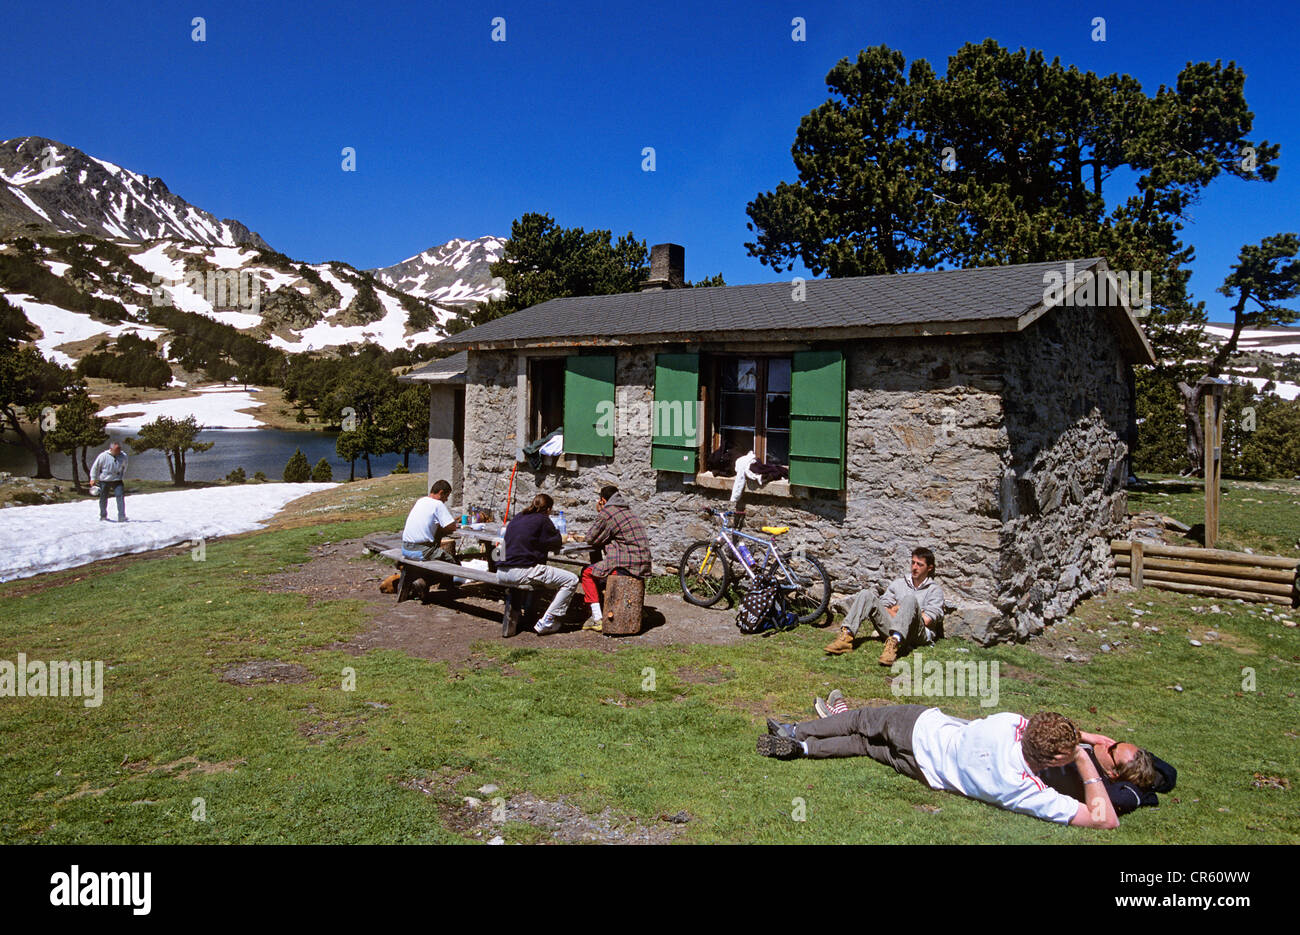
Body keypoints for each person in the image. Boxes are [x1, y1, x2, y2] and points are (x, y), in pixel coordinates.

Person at [756, 705, 1120, 828]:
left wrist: (1087, 744)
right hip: (926, 771)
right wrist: (1083, 759)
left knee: (861, 720)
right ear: (1054, 758)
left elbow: (1038, 723)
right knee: (862, 746)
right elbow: (1105, 819)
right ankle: (803, 749)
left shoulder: (1008, 723)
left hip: (920, 727)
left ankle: (796, 730)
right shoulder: (1022, 787)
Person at [825, 547, 944, 665]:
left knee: (910, 600)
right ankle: (847, 636)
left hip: (917, 634)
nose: (914, 567)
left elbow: (927, 620)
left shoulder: (934, 590)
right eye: (913, 563)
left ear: (929, 568)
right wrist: (900, 613)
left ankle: (893, 646)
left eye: (919, 564)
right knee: (866, 594)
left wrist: (902, 609)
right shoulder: (899, 584)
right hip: (892, 627)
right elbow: (883, 606)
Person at [496, 493, 580, 635]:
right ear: (548, 509)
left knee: (540, 574)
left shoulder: (518, 517)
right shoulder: (543, 519)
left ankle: (531, 614)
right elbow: (556, 540)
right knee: (572, 580)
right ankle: (547, 620)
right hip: (521, 571)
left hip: (501, 571)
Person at [1038, 734, 1177, 816]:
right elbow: (1170, 773)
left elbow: (1118, 800)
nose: (1106, 742)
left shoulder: (1085, 774)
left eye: (1112, 748)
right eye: (1116, 742)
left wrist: (1082, 735)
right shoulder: (1102, 759)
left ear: (1113, 773)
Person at [578, 485, 651, 632]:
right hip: (642, 563)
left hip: (626, 564)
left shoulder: (608, 513)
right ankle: (631, 608)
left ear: (603, 500)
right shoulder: (627, 511)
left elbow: (591, 538)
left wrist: (600, 511)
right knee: (600, 570)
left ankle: (597, 618)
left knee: (586, 573)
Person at [90, 441, 128, 522]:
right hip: (105, 480)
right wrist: (92, 478)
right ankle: (103, 516)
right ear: (111, 449)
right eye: (117, 450)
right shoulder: (103, 456)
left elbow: (125, 466)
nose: (119, 451)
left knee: (120, 497)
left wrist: (121, 475)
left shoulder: (123, 456)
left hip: (117, 480)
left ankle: (121, 516)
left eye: (119, 449)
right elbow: (95, 467)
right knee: (103, 498)